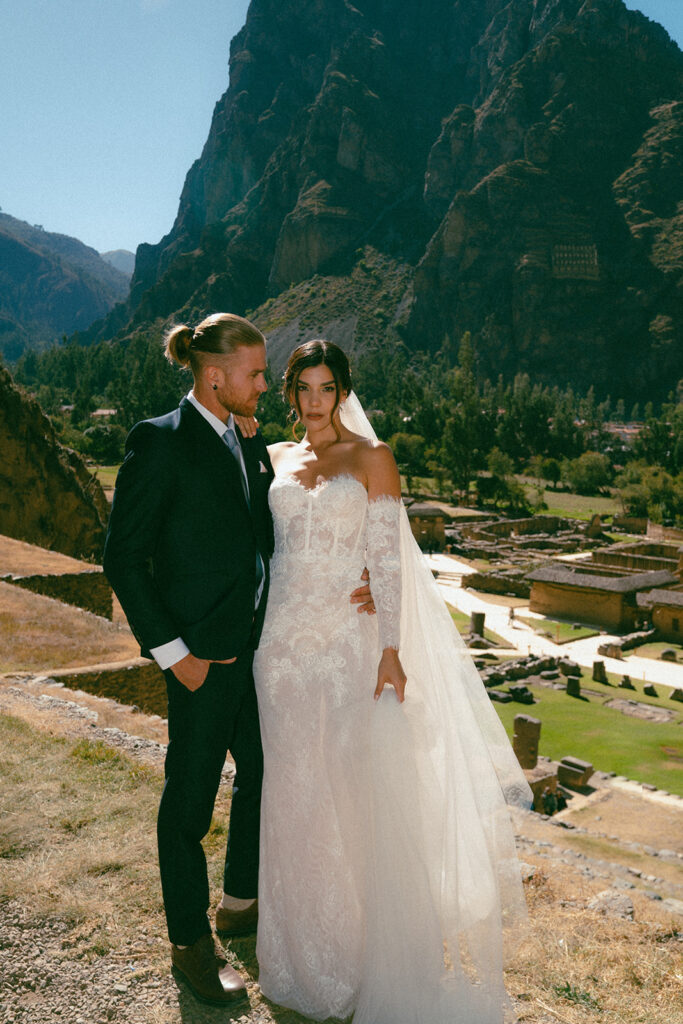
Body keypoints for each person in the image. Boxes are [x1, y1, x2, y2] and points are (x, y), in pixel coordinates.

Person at [252, 340, 533, 1024]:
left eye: (326, 388)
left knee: (351, 794)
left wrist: (389, 648)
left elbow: (386, 558)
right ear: (290, 393)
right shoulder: (276, 460)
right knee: (290, 792)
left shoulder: (372, 459)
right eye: (304, 388)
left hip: (347, 648)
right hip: (279, 648)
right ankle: (295, 957)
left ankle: (356, 957)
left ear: (343, 392)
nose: (315, 400)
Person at [103, 316, 374, 1007]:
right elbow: (123, 559)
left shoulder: (248, 444)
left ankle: (241, 904)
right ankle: (191, 946)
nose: (266, 385)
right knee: (188, 803)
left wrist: (358, 575)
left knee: (264, 773)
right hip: (198, 662)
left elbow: (272, 534)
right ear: (214, 375)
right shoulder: (158, 441)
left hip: (260, 652)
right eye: (256, 374)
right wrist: (175, 656)